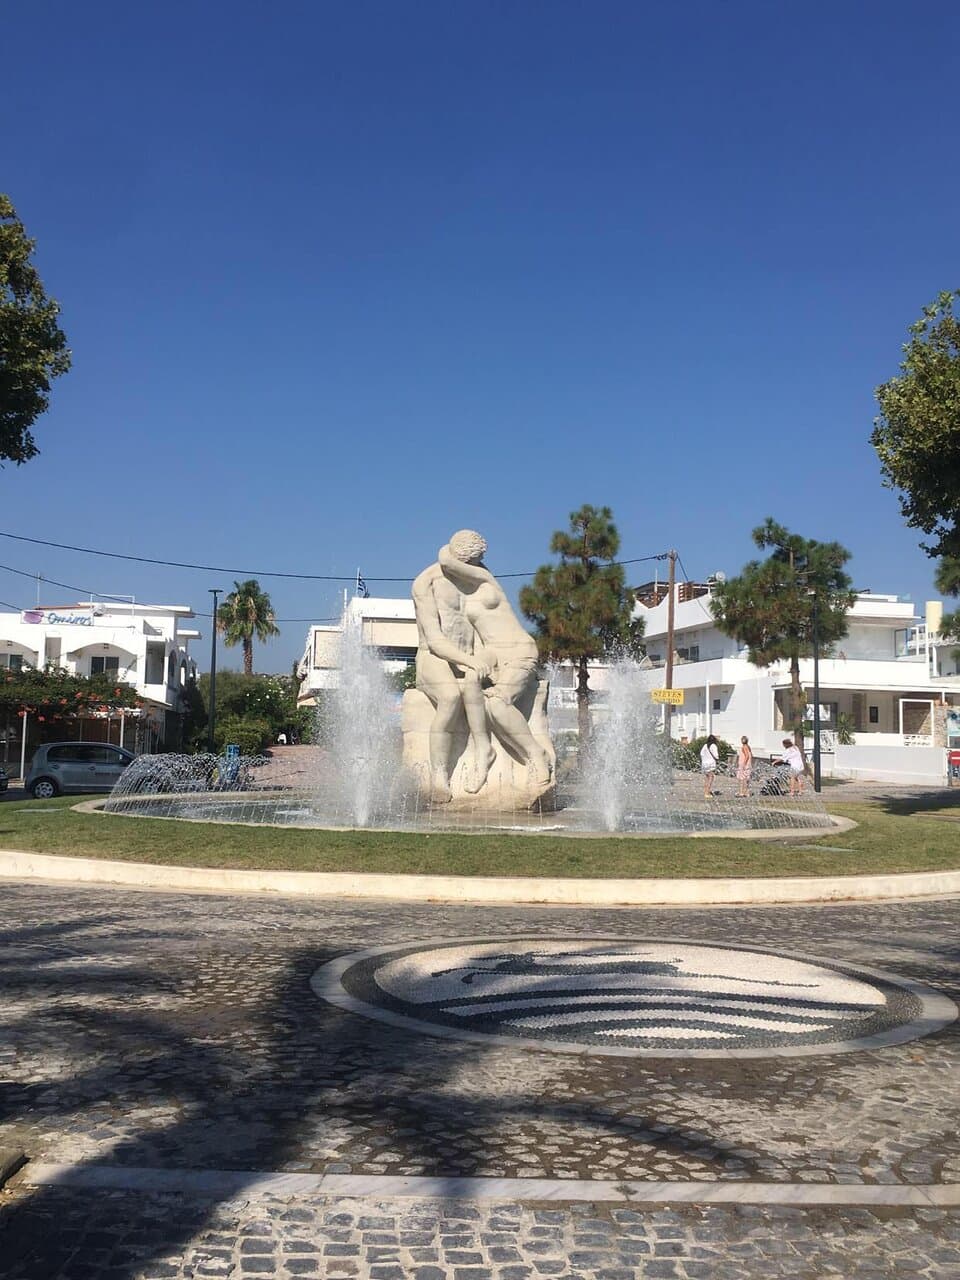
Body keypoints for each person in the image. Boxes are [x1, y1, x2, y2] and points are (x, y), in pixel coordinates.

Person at [438, 532, 552, 787]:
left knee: (497, 705)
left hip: (518, 649)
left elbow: (445, 562)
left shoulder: (486, 579)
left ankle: (536, 754)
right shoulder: (463, 593)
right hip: (493, 652)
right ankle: (483, 751)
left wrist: (451, 551)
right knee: (470, 677)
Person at [411, 551, 495, 802]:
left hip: (473, 657)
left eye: (477, 564)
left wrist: (485, 658)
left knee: (490, 688)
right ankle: (439, 774)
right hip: (433, 658)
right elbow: (435, 641)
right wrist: (470, 660)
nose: (473, 568)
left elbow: (488, 627)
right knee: (449, 696)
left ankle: (485, 751)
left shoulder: (481, 576)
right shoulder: (426, 582)